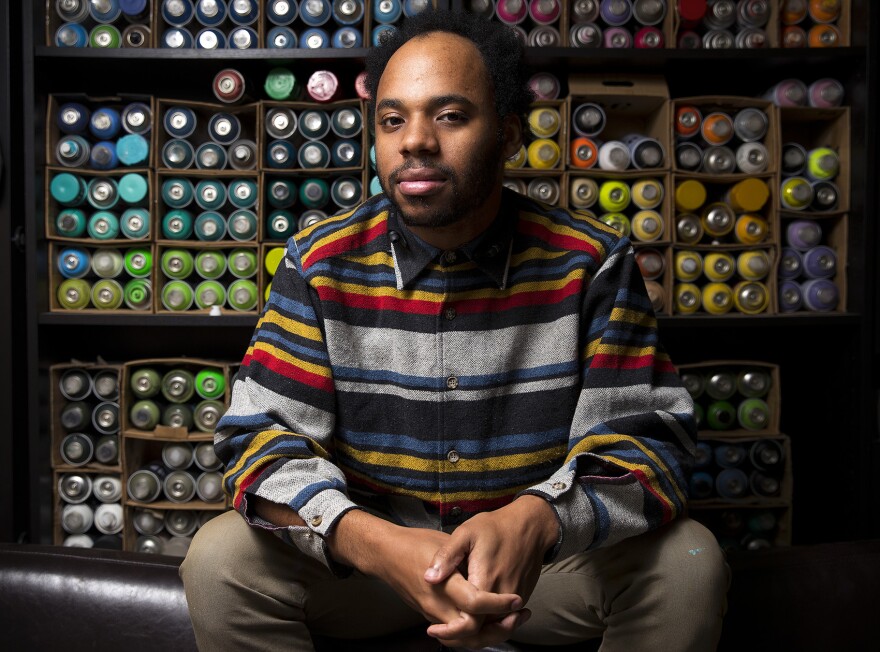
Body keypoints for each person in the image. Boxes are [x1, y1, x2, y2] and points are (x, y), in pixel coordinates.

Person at [181, 9, 729, 651]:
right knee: (221, 560)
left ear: (508, 134)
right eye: (392, 120)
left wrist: (538, 521)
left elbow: (648, 443)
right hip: (372, 573)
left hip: (540, 573)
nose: (415, 141)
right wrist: (376, 543)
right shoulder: (319, 263)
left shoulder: (590, 263)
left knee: (686, 563)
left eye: (449, 116)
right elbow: (259, 440)